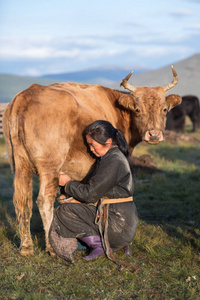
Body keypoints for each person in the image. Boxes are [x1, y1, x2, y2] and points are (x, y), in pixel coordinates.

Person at [49, 120, 138, 265]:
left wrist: (67, 183)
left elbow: (90, 194)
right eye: (89, 145)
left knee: (64, 212)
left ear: (108, 142)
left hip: (117, 225)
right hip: (121, 222)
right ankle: (116, 245)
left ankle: (99, 245)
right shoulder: (111, 157)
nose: (90, 149)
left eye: (93, 145)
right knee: (73, 208)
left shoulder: (113, 161)